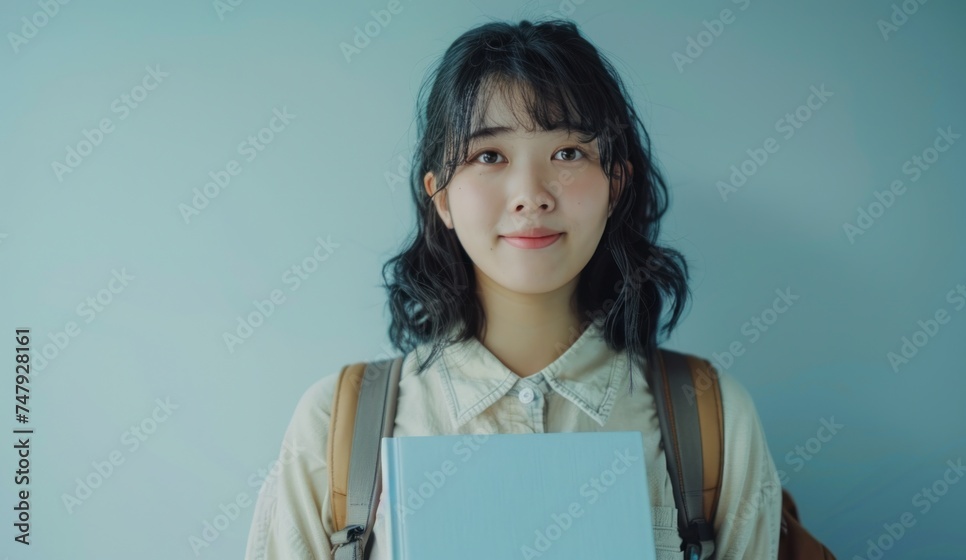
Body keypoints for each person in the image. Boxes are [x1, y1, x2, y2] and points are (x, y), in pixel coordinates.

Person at [245, 18, 782, 560]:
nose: (531, 195)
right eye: (489, 156)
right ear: (441, 196)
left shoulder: (713, 416)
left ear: (615, 185)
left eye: (568, 153)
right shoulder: (334, 423)